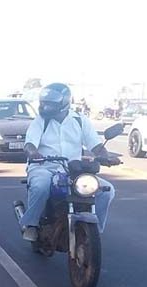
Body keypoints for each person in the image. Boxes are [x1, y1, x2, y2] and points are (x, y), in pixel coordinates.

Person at [20, 83, 115, 241]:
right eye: (44, 103)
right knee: (40, 187)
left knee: (107, 191)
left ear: (63, 103)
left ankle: (95, 231)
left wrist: (106, 156)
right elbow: (29, 144)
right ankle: (31, 225)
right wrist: (33, 152)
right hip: (44, 166)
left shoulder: (79, 120)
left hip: (73, 169)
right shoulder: (40, 122)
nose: (45, 107)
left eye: (50, 104)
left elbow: (96, 145)